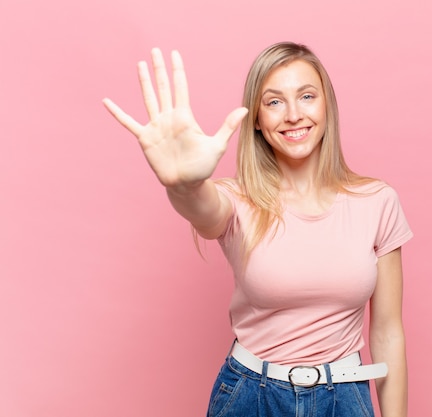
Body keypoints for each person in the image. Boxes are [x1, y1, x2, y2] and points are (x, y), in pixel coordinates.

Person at [103, 42, 412, 417]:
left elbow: (388, 332)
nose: (294, 114)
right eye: (274, 102)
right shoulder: (237, 199)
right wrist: (182, 184)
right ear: (257, 119)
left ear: (327, 105)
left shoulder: (377, 200)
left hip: (345, 397)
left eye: (307, 96)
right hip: (251, 396)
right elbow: (203, 208)